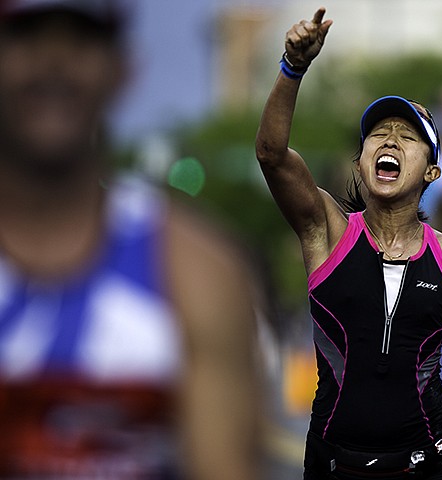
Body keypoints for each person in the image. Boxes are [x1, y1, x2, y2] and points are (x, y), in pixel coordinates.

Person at [255, 7, 442, 480]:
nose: (391, 141)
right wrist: (292, 68)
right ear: (360, 165)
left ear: (431, 172)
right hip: (336, 462)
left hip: (426, 461)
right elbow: (272, 155)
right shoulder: (328, 231)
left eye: (408, 137)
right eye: (379, 134)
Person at [0, 1, 261, 478]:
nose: (53, 63)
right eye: (28, 36)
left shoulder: (198, 271)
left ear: (123, 69)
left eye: (80, 40)